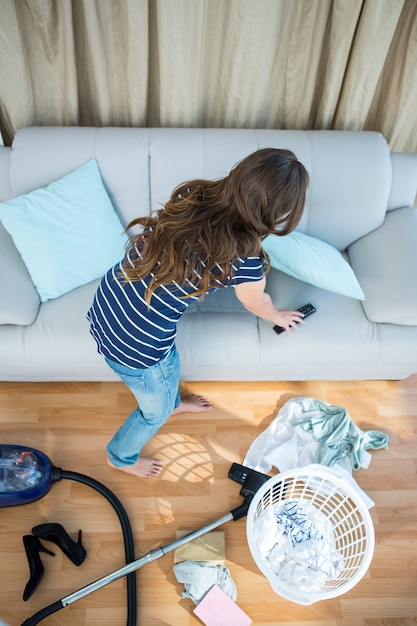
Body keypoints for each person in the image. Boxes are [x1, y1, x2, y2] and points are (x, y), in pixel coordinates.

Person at [87, 148, 309, 478]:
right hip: (136, 343)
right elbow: (254, 302)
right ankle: (121, 457)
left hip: (109, 299)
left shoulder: (196, 193)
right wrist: (276, 315)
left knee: (169, 368)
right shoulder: (245, 260)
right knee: (154, 410)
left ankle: (173, 404)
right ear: (277, 213)